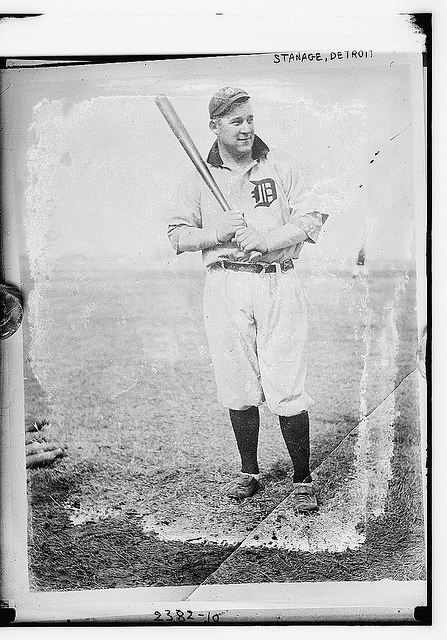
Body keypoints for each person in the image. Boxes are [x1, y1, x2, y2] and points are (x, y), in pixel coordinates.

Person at [168, 87, 328, 512]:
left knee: (286, 381)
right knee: (236, 381)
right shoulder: (197, 177)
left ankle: (302, 478)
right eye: (235, 121)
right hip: (224, 285)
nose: (245, 128)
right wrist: (214, 234)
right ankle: (249, 473)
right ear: (215, 126)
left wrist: (267, 238)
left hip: (277, 279)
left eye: (249, 119)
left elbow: (311, 219)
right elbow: (177, 234)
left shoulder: (280, 165)